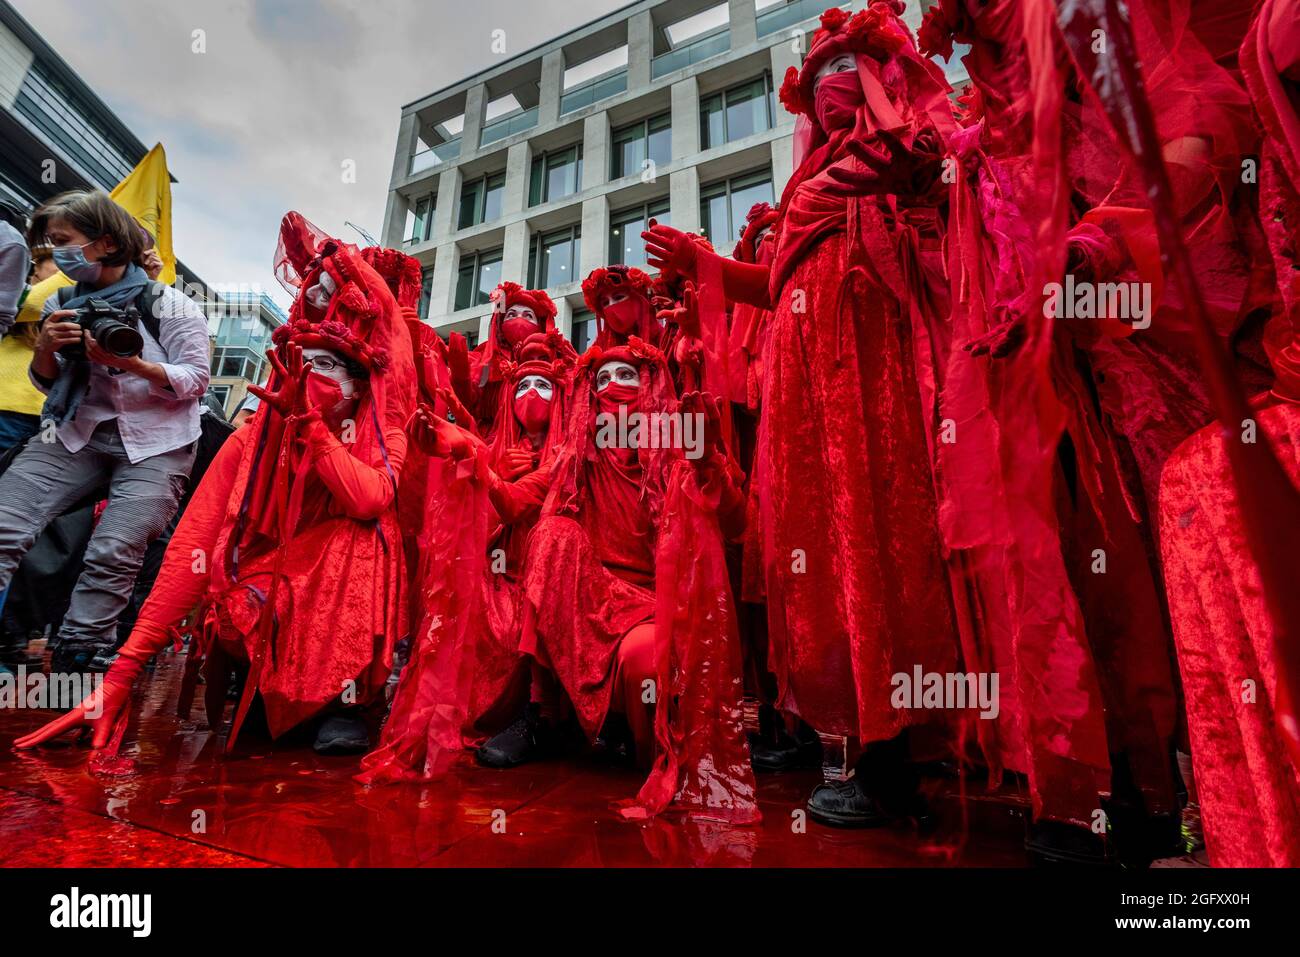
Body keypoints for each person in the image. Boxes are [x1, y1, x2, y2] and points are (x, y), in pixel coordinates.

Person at [642, 3, 961, 827]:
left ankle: (900, 751)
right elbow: (776, 279)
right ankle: (867, 745)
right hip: (807, 386)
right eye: (815, 78)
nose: (826, 90)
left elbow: (915, 154)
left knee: (880, 537)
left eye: (842, 72)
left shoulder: (900, 151)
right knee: (823, 550)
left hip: (870, 372)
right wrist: (704, 261)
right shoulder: (808, 187)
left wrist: (885, 78)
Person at [15, 211, 416, 757]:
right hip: (272, 570)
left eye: (329, 367)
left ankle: (344, 703)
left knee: (359, 540)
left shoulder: (382, 428)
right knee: (229, 579)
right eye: (303, 363)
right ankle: (263, 681)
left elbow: (369, 499)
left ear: (358, 384)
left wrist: (316, 432)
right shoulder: (250, 440)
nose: (310, 375)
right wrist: (124, 673)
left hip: (337, 568)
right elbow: (193, 546)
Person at [0, 190, 209, 675]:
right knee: (5, 523)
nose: (56, 255)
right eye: (50, 245)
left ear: (107, 243)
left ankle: (80, 658)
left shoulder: (170, 306)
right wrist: (46, 348)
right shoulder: (61, 300)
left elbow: (196, 380)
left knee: (115, 550)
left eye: (63, 241)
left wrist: (132, 364)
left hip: (158, 443)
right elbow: (45, 383)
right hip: (76, 433)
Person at [358, 335, 571, 781]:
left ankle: (540, 716)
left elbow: (514, 503)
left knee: (517, 615)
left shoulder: (568, 453)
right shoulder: (498, 445)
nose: (531, 395)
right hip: (499, 571)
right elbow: (484, 518)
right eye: (523, 386)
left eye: (544, 386)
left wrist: (473, 457)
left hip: (546, 575)